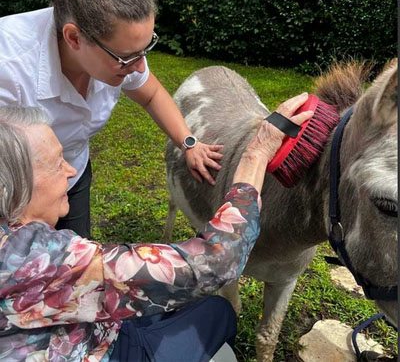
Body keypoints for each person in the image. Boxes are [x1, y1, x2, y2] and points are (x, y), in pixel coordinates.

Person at [0, 95, 313, 361]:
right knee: (218, 311)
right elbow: (219, 260)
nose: (70, 171)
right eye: (57, 163)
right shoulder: (43, 260)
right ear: (13, 185)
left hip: (67, 328)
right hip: (101, 350)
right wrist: (255, 156)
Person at [0, 0, 224, 239]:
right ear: (74, 38)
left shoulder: (121, 56)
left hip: (73, 175)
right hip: (13, 193)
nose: (139, 66)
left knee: (75, 265)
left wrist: (189, 143)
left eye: (146, 48)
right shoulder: (9, 68)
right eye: (127, 57)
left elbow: (152, 93)